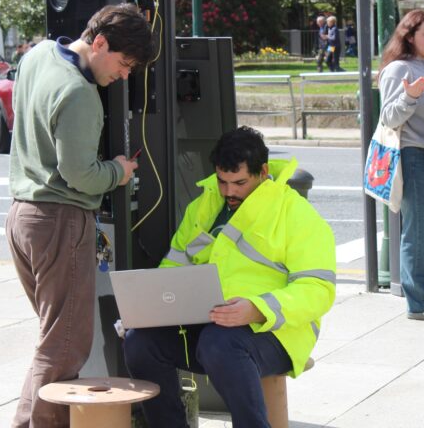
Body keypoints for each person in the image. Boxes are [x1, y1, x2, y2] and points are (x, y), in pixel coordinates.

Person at [123, 126, 336, 428]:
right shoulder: (203, 207)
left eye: (239, 182)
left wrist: (256, 308)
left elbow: (318, 290)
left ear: (263, 172)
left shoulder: (297, 214)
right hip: (209, 325)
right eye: (222, 181)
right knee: (139, 343)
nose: (229, 191)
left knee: (219, 344)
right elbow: (174, 267)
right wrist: (153, 309)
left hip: (277, 331)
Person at [6, 3, 154, 427]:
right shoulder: (80, 93)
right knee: (65, 345)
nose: (124, 75)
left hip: (22, 215)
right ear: (100, 42)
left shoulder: (35, 56)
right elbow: (81, 175)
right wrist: (120, 171)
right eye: (124, 63)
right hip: (59, 221)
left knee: (54, 339)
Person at [378, 9, 424, 321]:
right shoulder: (399, 70)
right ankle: (421, 304)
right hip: (415, 155)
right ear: (409, 36)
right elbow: (388, 118)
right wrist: (409, 98)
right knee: (421, 233)